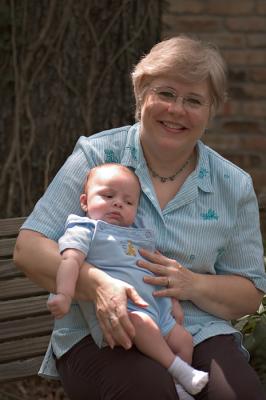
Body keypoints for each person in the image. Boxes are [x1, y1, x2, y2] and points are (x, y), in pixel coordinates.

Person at [14, 34, 266, 400]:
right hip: (103, 332)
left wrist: (191, 284)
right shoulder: (97, 155)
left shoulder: (233, 184)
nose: (177, 110)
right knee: (147, 389)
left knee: (238, 393)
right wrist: (97, 284)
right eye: (165, 94)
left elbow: (248, 291)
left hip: (193, 331)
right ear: (141, 93)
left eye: (193, 100)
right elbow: (29, 248)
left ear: (212, 109)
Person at [47, 162, 208, 399]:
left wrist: (173, 302)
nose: (118, 203)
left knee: (184, 339)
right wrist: (64, 294)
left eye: (128, 202)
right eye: (108, 195)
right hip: (121, 315)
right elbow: (70, 261)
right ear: (84, 202)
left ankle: (178, 388)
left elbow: (160, 271)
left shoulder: (138, 234)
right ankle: (180, 370)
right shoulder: (86, 229)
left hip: (158, 311)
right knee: (141, 323)